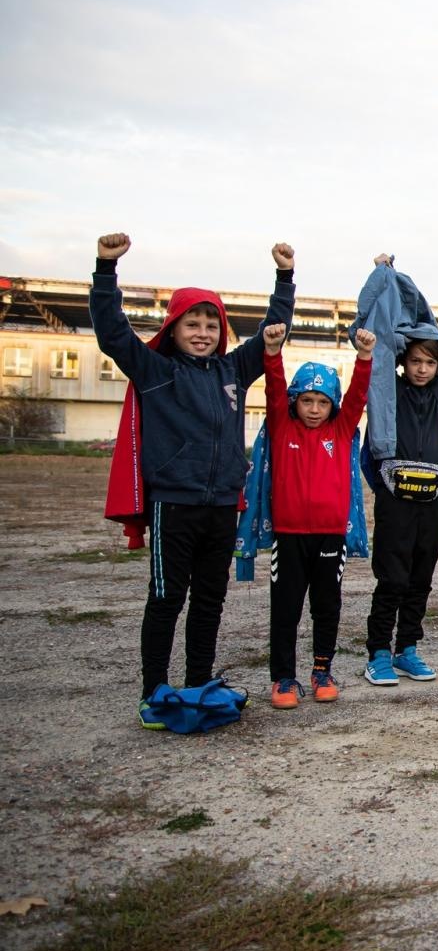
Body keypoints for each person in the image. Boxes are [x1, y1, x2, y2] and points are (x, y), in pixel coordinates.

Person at [89, 233, 297, 727]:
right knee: (166, 597)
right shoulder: (155, 370)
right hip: (175, 505)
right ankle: (153, 691)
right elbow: (113, 333)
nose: (202, 331)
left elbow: (274, 330)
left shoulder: (232, 370)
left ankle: (199, 679)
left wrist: (285, 278)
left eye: (211, 323)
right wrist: (105, 269)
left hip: (223, 504)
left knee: (210, 599)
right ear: (175, 326)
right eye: (192, 323)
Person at [362, 265, 438, 688]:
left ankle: (407, 647)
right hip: (396, 497)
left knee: (420, 577)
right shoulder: (388, 389)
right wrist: (383, 275)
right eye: (415, 360)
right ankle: (377, 652)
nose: (423, 369)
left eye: (430, 361)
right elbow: (376, 359)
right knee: (391, 576)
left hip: (433, 498)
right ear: (403, 360)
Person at [258, 323, 375, 707]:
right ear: (294, 400)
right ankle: (284, 679)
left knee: (327, 607)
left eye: (322, 402)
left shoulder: (340, 431)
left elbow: (358, 397)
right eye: (307, 401)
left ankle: (322, 669)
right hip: (289, 537)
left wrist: (364, 358)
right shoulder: (281, 426)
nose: (313, 409)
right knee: (286, 610)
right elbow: (273, 390)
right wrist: (272, 353)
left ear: (333, 406)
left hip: (330, 537)